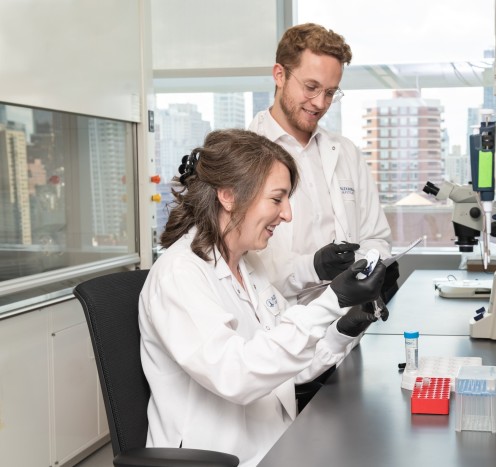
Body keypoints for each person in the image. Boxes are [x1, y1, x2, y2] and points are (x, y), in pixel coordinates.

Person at [138, 128, 387, 466]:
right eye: (277, 199)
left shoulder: (250, 265)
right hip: (221, 459)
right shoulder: (179, 275)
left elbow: (284, 369)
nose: (287, 214)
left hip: (277, 445)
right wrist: (332, 299)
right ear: (229, 196)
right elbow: (236, 375)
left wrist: (340, 330)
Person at [249, 23, 400, 309]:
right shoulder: (244, 154)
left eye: (330, 92)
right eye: (311, 87)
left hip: (346, 321)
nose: (320, 103)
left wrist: (370, 268)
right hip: (280, 325)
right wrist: (314, 267)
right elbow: (246, 262)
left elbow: (375, 236)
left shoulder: (346, 153)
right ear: (279, 75)